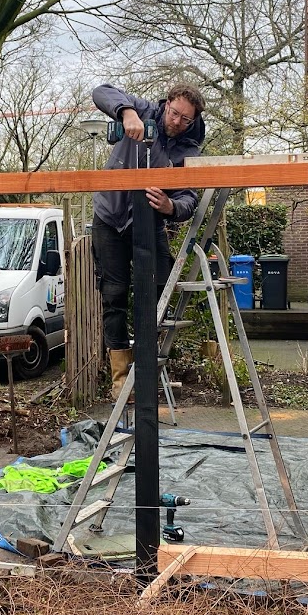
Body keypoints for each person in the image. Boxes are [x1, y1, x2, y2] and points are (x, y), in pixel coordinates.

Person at [90, 81, 206, 389]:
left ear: (193, 121)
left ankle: (145, 360)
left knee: (158, 285)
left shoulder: (187, 149)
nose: (177, 122)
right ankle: (119, 379)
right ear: (166, 103)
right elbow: (101, 91)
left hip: (149, 220)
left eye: (185, 119)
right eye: (175, 113)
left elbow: (189, 198)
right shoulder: (142, 111)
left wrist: (171, 206)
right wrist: (126, 113)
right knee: (113, 294)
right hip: (110, 217)